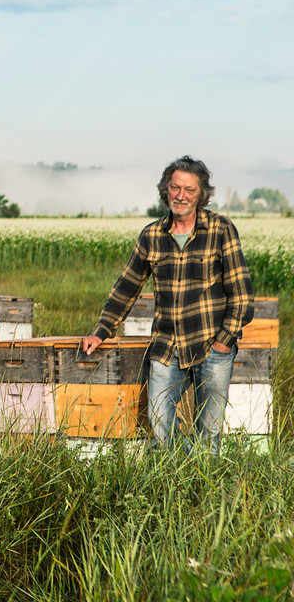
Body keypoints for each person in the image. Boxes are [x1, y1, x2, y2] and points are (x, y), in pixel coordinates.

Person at [81, 156, 253, 454]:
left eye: (189, 189)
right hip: (166, 346)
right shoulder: (152, 235)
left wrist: (224, 341)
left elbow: (241, 294)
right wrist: (101, 331)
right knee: (160, 422)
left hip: (211, 345)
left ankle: (203, 493)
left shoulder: (220, 229)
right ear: (166, 189)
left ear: (201, 194)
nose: (181, 195)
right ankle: (177, 478)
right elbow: (126, 288)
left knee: (209, 430)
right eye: (175, 187)